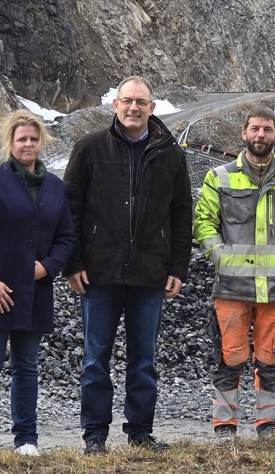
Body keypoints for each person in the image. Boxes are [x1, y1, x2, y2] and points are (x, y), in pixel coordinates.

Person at [63, 75, 192, 455]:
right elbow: (69, 210)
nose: (133, 107)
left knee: (144, 359)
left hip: (150, 272)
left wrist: (178, 267)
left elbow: (181, 215)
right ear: (115, 105)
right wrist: (73, 262)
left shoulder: (170, 154)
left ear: (152, 108)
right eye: (127, 101)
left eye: (141, 102)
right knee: (95, 357)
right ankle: (95, 436)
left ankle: (140, 431)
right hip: (98, 273)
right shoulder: (89, 149)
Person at [0, 110, 76, 455]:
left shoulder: (54, 186)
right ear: (11, 141)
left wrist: (48, 267)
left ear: (42, 143)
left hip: (33, 291)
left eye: (33, 139)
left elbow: (66, 237)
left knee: (27, 366)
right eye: (22, 138)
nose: (28, 144)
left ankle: (26, 438)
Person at [193, 106, 275, 444]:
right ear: (243, 134)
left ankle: (267, 425)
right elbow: (204, 223)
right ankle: (225, 426)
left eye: (267, 130)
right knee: (229, 358)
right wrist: (221, 257)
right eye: (255, 129)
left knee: (270, 358)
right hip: (233, 286)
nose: (261, 135)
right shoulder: (220, 177)